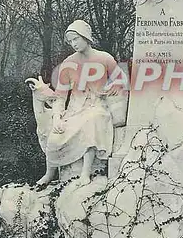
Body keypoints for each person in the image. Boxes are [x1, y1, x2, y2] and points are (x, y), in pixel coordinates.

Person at [36, 20, 120, 188]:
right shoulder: (68, 64)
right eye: (71, 41)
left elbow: (120, 78)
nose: (74, 44)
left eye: (76, 39)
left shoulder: (104, 58)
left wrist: (115, 86)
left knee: (92, 121)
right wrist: (57, 117)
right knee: (55, 134)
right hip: (74, 109)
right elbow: (60, 96)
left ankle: (85, 172)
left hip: (96, 106)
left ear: (85, 37)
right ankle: (50, 173)